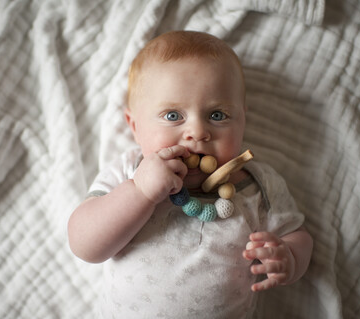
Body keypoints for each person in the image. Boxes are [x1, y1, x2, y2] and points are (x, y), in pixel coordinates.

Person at [68, 30, 313, 318]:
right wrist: (140, 192)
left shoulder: (257, 184)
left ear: (242, 120)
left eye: (217, 115)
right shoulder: (130, 172)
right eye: (173, 116)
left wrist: (289, 257)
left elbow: (297, 235)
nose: (197, 132)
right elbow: (84, 245)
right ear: (135, 127)